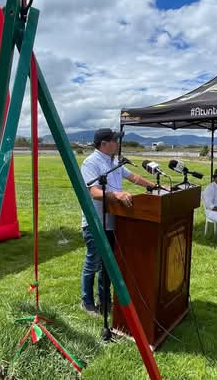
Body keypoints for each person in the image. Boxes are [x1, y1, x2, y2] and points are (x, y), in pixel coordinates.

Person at [79, 128, 154, 315]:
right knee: (94, 263)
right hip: (95, 223)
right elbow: (93, 192)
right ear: (104, 144)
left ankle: (105, 301)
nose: (118, 143)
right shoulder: (90, 163)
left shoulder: (114, 161)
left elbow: (134, 177)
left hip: (114, 222)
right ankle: (86, 302)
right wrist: (116, 194)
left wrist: (155, 186)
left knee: (109, 265)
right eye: (115, 140)